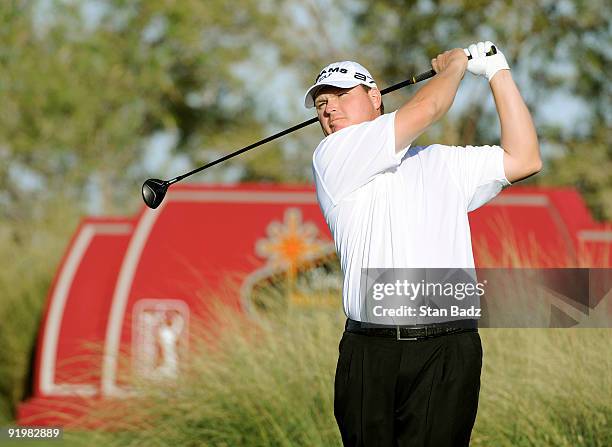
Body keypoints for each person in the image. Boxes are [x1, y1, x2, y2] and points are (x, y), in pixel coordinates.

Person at [303, 41, 541, 446]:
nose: (329, 109)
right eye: (322, 103)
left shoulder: (441, 161)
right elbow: (427, 110)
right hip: (370, 350)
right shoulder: (333, 156)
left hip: (447, 349)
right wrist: (456, 66)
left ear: (375, 97)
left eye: (342, 96)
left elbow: (524, 158)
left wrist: (498, 72)